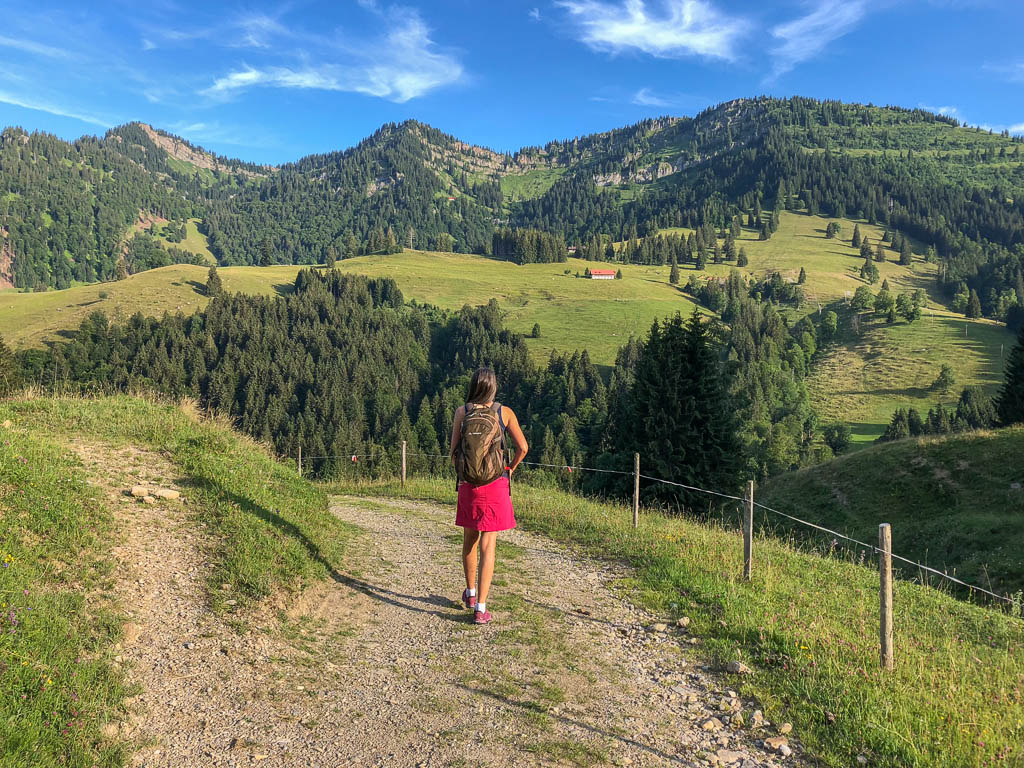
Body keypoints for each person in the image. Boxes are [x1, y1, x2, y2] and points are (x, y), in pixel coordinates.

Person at [450, 368, 528, 624]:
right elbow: (523, 447)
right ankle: (481, 608)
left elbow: (453, 452)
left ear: (473, 386)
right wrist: (510, 469)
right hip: (496, 484)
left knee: (469, 540)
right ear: (493, 389)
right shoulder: (503, 413)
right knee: (488, 544)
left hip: (469, 485)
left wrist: (467, 473)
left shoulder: (463, 412)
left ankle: (470, 594)